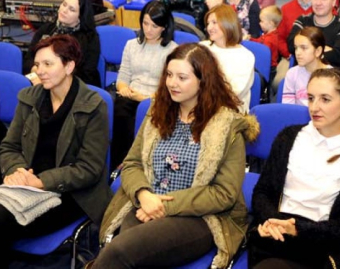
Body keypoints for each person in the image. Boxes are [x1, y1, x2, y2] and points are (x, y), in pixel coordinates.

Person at [93, 43, 259, 269]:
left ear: (203, 80)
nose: (172, 83)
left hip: (200, 217)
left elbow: (224, 194)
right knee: (126, 252)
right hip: (146, 202)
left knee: (120, 252)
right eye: (169, 75)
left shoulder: (226, 125)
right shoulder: (157, 111)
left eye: (182, 77)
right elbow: (132, 164)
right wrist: (144, 194)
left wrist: (163, 206)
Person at [248, 67, 340, 269]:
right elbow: (262, 192)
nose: (314, 107)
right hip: (278, 237)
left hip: (325, 248)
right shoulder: (288, 137)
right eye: (310, 98)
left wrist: (297, 229)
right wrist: (271, 221)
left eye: (325, 99)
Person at [0, 35, 112, 268]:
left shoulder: (93, 105)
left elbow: (88, 169)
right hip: (26, 183)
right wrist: (16, 171)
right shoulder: (29, 98)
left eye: (48, 64)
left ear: (69, 66)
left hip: (70, 194)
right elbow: (9, 146)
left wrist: (39, 181)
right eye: (37, 64)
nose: (40, 71)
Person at [111, 1, 178, 169]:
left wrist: (143, 98)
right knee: (120, 108)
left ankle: (142, 162)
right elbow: (123, 75)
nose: (148, 29)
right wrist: (123, 88)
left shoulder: (172, 50)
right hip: (130, 95)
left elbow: (169, 87)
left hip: (157, 98)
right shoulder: (132, 45)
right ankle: (121, 162)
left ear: (164, 27)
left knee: (145, 112)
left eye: (154, 26)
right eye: (145, 23)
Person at [26, 0, 101, 87]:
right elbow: (29, 58)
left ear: (80, 17)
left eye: (71, 9)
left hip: (74, 86)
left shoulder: (89, 38)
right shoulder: (47, 29)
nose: (64, 10)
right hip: (40, 79)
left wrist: (51, 77)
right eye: (64, 4)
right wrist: (35, 69)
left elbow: (86, 72)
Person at [201, 4, 255, 112]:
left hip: (230, 113)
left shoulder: (245, 56)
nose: (209, 28)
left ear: (228, 23)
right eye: (208, 23)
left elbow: (234, 93)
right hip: (200, 107)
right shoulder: (202, 48)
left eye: (214, 22)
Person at [288, 0, 340, 68]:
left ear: (334, 2)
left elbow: (338, 55)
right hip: (302, 74)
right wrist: (323, 50)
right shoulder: (302, 20)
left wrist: (307, 50)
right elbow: (291, 46)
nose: (318, 3)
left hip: (330, 77)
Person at [283, 27, 330, 105]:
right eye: (296, 48)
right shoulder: (292, 73)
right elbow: (288, 108)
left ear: (318, 51)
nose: (298, 53)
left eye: (303, 48)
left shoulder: (332, 77)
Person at [250, 5, 289, 82]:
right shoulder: (267, 35)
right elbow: (259, 41)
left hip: (269, 68)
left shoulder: (273, 39)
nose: (259, 23)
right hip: (265, 65)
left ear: (270, 23)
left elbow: (262, 50)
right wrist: (251, 39)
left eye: (262, 21)